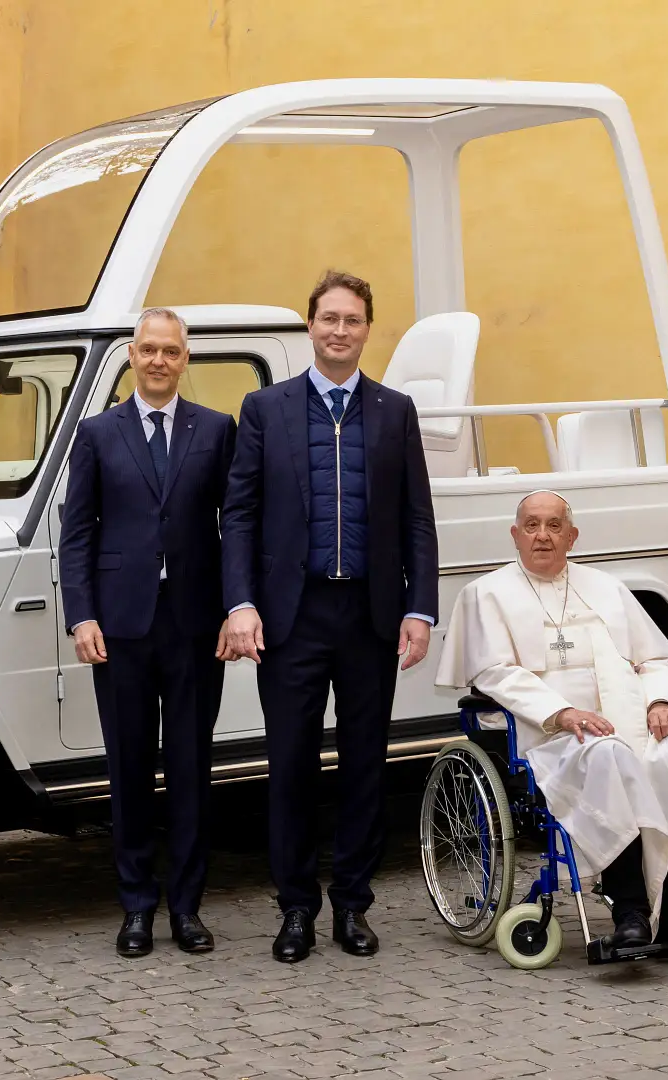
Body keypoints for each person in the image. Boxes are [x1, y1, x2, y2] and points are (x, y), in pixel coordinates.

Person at [219, 270, 438, 963]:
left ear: (367, 329)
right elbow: (240, 515)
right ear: (310, 327)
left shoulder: (394, 410)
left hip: (369, 616)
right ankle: (295, 909)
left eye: (352, 320)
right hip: (292, 617)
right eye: (328, 319)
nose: (339, 330)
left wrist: (420, 607)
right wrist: (241, 601)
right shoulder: (265, 409)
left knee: (365, 766)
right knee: (289, 767)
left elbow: (416, 520)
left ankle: (352, 904)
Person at [437, 490, 668, 948]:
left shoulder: (607, 588)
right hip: (551, 738)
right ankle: (630, 909)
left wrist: (661, 702)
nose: (543, 536)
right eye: (532, 526)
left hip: (629, 723)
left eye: (554, 526)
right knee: (608, 757)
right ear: (515, 535)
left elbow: (655, 659)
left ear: (571, 537)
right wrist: (562, 712)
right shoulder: (487, 594)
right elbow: (494, 672)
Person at [58, 308, 237, 957]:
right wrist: (82, 615)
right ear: (132, 355)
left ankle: (186, 908)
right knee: (130, 771)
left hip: (194, 625)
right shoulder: (97, 433)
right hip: (121, 626)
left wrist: (236, 606)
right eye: (149, 349)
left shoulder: (216, 430)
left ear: (185, 358)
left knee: (191, 770)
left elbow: (234, 525)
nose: (160, 360)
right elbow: (76, 533)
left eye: (171, 351)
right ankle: (136, 907)